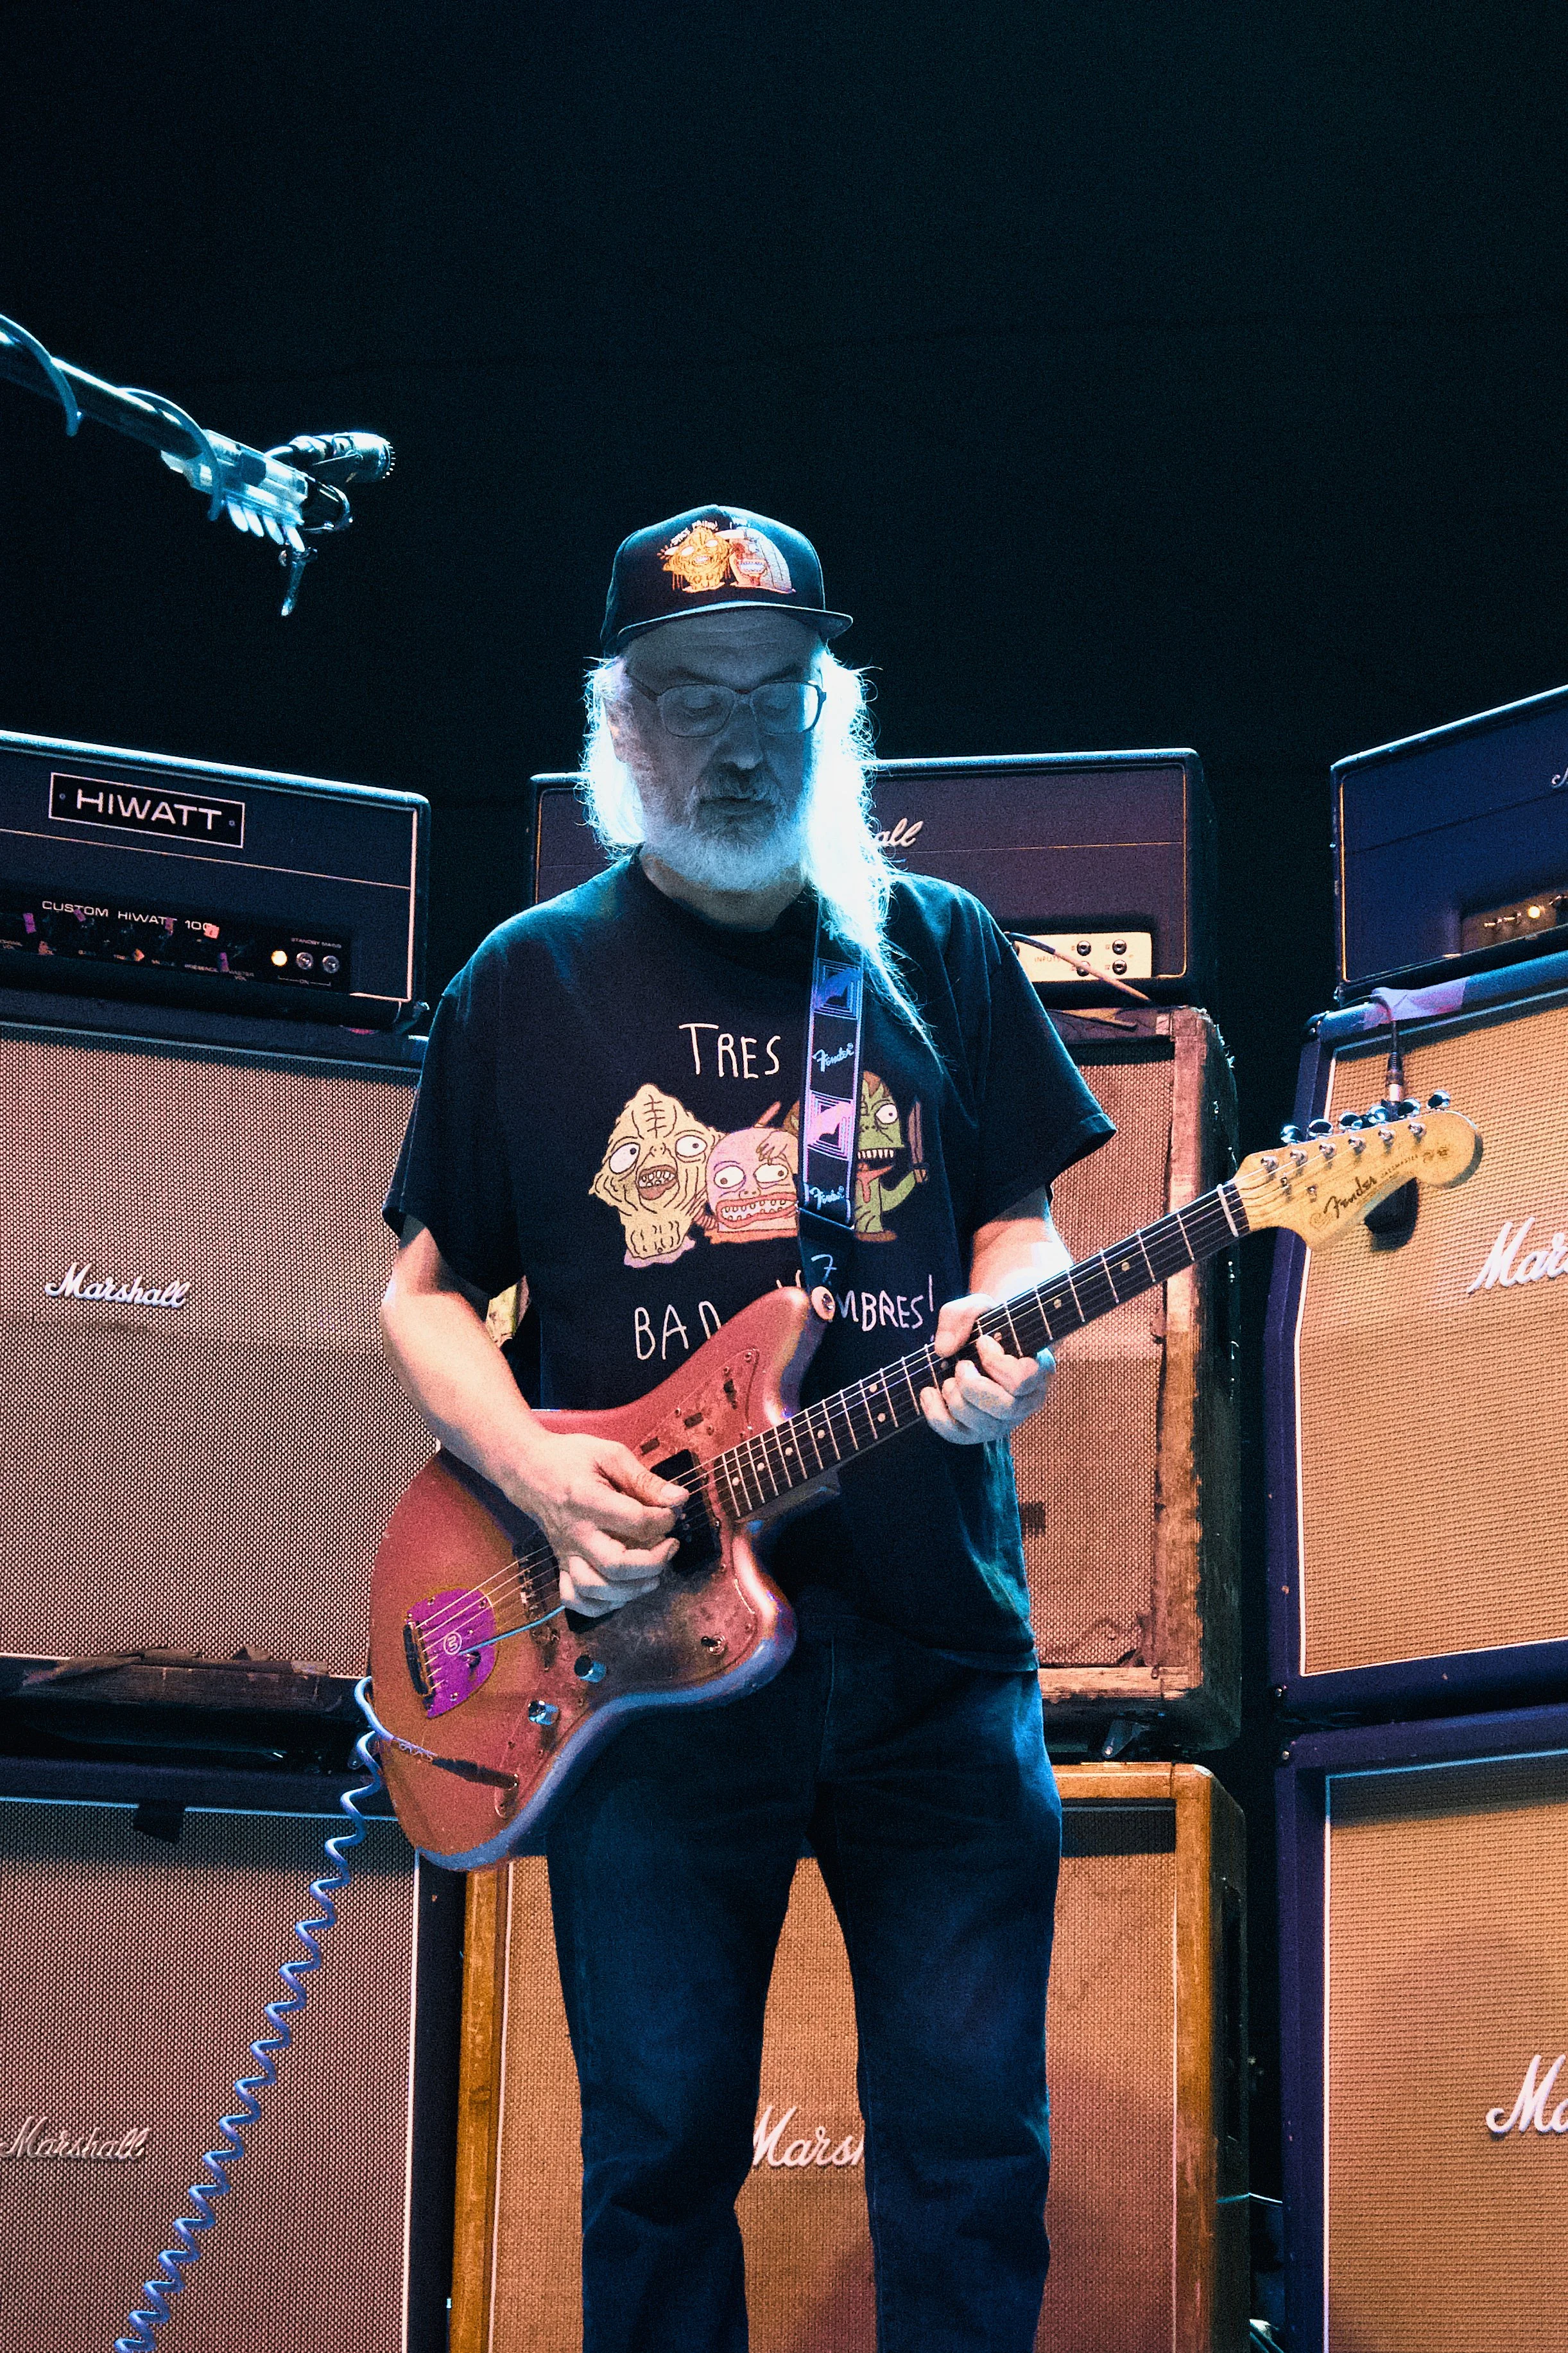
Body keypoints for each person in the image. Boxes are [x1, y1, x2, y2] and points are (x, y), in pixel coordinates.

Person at [379, 505, 1114, 2353]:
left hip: (934, 1661)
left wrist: (1003, 1317)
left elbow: (1026, 1206)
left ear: (830, 709)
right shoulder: (524, 986)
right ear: (619, 724)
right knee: (657, 2161)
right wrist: (540, 1468)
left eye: (779, 689)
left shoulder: (931, 951)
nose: (740, 732)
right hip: (636, 1667)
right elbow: (417, 1291)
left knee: (969, 2162)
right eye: (691, 692)